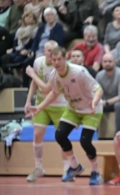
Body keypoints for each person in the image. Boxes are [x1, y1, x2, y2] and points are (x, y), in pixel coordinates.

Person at [26, 47, 104, 185]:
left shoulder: (79, 72)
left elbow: (98, 89)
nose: (56, 62)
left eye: (59, 59)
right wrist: (39, 107)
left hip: (91, 108)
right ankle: (75, 167)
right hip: (73, 109)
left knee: (85, 142)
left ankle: (95, 172)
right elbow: (54, 94)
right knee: (60, 135)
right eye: (54, 59)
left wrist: (95, 101)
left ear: (65, 58)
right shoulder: (54, 76)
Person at [24, 40, 69, 182]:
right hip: (41, 104)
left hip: (59, 105)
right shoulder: (38, 62)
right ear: (44, 51)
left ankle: (67, 169)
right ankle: (39, 168)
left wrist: (31, 73)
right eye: (49, 50)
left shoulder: (58, 67)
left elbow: (45, 88)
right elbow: (35, 83)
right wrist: (28, 100)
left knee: (62, 137)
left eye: (54, 51)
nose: (51, 54)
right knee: (37, 134)